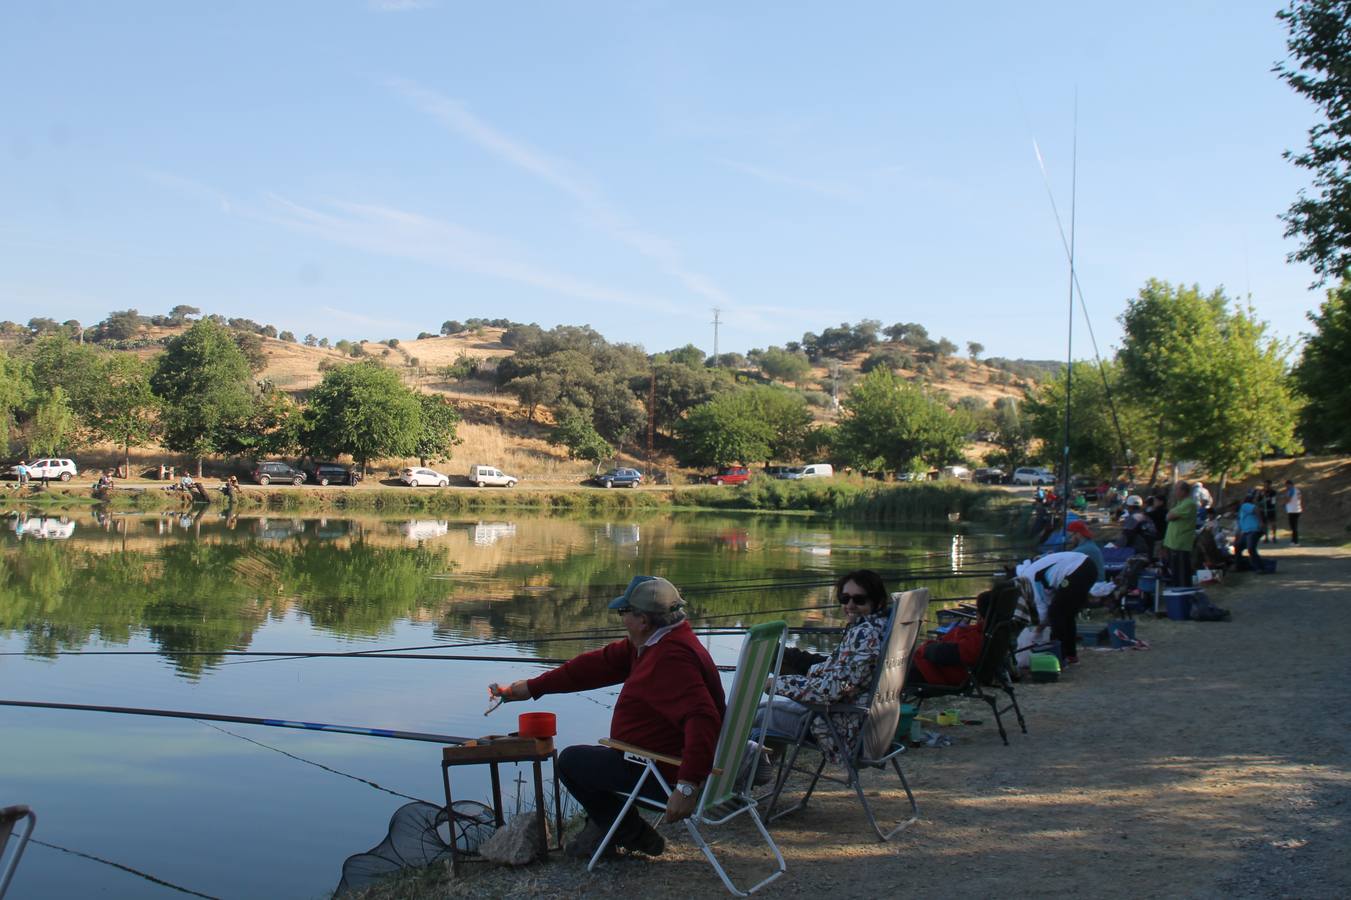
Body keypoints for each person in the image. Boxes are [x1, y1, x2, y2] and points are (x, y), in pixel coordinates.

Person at [488, 575, 723, 861]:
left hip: (661, 772)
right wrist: (530, 688)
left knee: (571, 763)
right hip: (654, 761)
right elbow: (593, 667)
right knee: (591, 760)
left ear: (643, 620)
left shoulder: (670, 658)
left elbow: (703, 718)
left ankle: (632, 833)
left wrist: (688, 784)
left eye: (624, 613)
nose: (621, 619)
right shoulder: (658, 642)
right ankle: (625, 831)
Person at [753, 570, 890, 765]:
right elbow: (842, 674)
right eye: (845, 598)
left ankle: (742, 783)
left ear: (877, 601)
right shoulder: (882, 628)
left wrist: (775, 684)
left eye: (859, 600)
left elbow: (831, 691)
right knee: (766, 711)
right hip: (868, 727)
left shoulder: (864, 636)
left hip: (839, 731)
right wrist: (809, 675)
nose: (850, 605)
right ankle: (757, 778)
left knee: (755, 714)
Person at [1017, 551, 1096, 664]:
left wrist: (1035, 634)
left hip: (1077, 570)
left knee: (1055, 614)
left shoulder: (1029, 580)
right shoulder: (1034, 571)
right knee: (1067, 614)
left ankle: (1059, 657)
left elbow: (1045, 611)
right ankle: (1071, 655)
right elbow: (1049, 602)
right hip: (1089, 566)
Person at [910, 590, 991, 685]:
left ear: (981, 615)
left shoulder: (976, 640)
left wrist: (926, 648)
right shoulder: (990, 633)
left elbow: (944, 653)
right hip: (936, 668)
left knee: (896, 673)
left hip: (934, 673)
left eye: (977, 610)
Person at [1163, 481, 1198, 588]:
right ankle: (1177, 592)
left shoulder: (1189, 504)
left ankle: (1183, 594)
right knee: (1175, 572)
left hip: (1181, 544)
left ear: (1183, 491)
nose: (1174, 492)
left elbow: (1169, 516)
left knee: (1182, 573)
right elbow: (1168, 515)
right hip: (1173, 543)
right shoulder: (1180, 503)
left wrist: (1170, 514)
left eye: (1176, 490)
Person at [1237, 491, 1265, 573]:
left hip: (1252, 530)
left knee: (1251, 549)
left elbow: (1255, 509)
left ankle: (1259, 568)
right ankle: (1240, 566)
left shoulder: (1245, 506)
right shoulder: (1242, 509)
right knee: (1238, 547)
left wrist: (1260, 522)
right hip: (1247, 532)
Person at [1284, 479, 1303, 546]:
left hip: (1292, 510)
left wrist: (1285, 499)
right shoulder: (1297, 490)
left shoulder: (1291, 490)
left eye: (1287, 485)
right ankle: (1293, 540)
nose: (1286, 487)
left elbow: (1288, 500)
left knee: (1293, 527)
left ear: (1290, 484)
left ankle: (1295, 541)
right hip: (1296, 509)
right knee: (1293, 526)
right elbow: (1300, 499)